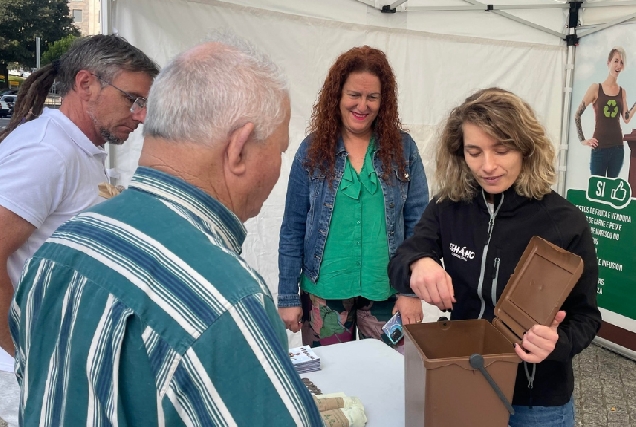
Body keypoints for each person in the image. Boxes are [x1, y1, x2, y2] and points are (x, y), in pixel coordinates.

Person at [10, 33, 323, 427]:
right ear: (239, 149)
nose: (279, 166)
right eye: (279, 150)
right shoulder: (224, 300)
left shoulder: (57, 249)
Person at [389, 88, 601, 427]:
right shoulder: (448, 206)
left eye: (501, 150)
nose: (487, 166)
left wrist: (557, 343)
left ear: (527, 148)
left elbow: (587, 317)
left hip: (537, 403)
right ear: (460, 154)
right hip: (464, 382)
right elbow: (402, 259)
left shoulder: (565, 222)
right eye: (474, 152)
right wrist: (419, 263)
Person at [0, 34, 159, 426]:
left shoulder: (75, 149)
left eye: (145, 104)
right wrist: (22, 354)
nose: (140, 115)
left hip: (57, 358)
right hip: (29, 371)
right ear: (86, 84)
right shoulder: (48, 152)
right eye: (133, 99)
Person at [277, 46, 429, 348]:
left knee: (390, 382)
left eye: (372, 97)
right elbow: (293, 226)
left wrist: (411, 293)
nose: (362, 105)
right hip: (324, 294)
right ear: (337, 96)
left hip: (388, 292)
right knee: (332, 385)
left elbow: (419, 227)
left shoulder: (404, 149)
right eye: (354, 95)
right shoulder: (311, 150)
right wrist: (287, 295)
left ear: (383, 101)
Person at [574, 46, 636, 178]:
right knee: (596, 191)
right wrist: (583, 140)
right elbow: (577, 114)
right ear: (608, 63)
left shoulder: (622, 92)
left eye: (622, 62)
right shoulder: (596, 88)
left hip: (618, 149)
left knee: (611, 193)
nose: (618, 65)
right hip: (599, 149)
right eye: (616, 61)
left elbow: (626, 118)